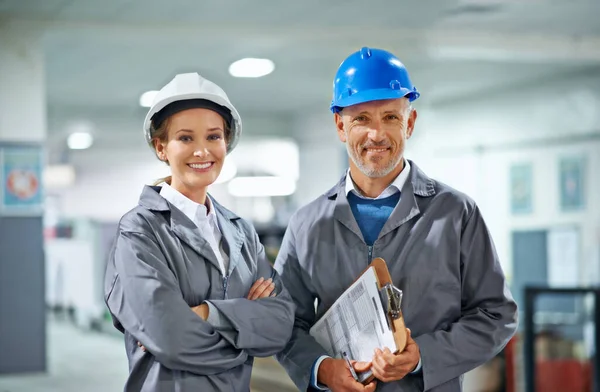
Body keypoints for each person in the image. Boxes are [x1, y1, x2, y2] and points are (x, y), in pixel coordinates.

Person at [274, 47, 518, 392]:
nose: (377, 134)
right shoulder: (307, 224)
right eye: (361, 119)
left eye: (390, 117)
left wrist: (424, 356)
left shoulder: (455, 214)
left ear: (410, 123)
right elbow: (285, 322)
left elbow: (496, 314)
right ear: (340, 125)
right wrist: (322, 368)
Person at [104, 72, 295, 392]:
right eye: (185, 138)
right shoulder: (140, 231)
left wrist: (206, 313)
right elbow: (171, 337)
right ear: (161, 146)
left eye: (213, 136)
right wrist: (245, 329)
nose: (202, 150)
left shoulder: (242, 233)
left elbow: (281, 324)